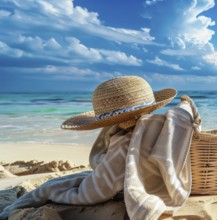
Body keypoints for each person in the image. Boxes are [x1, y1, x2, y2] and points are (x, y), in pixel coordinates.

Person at [0, 76, 198, 220]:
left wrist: (51, 193)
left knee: (53, 188)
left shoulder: (122, 141)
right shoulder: (158, 130)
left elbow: (98, 190)